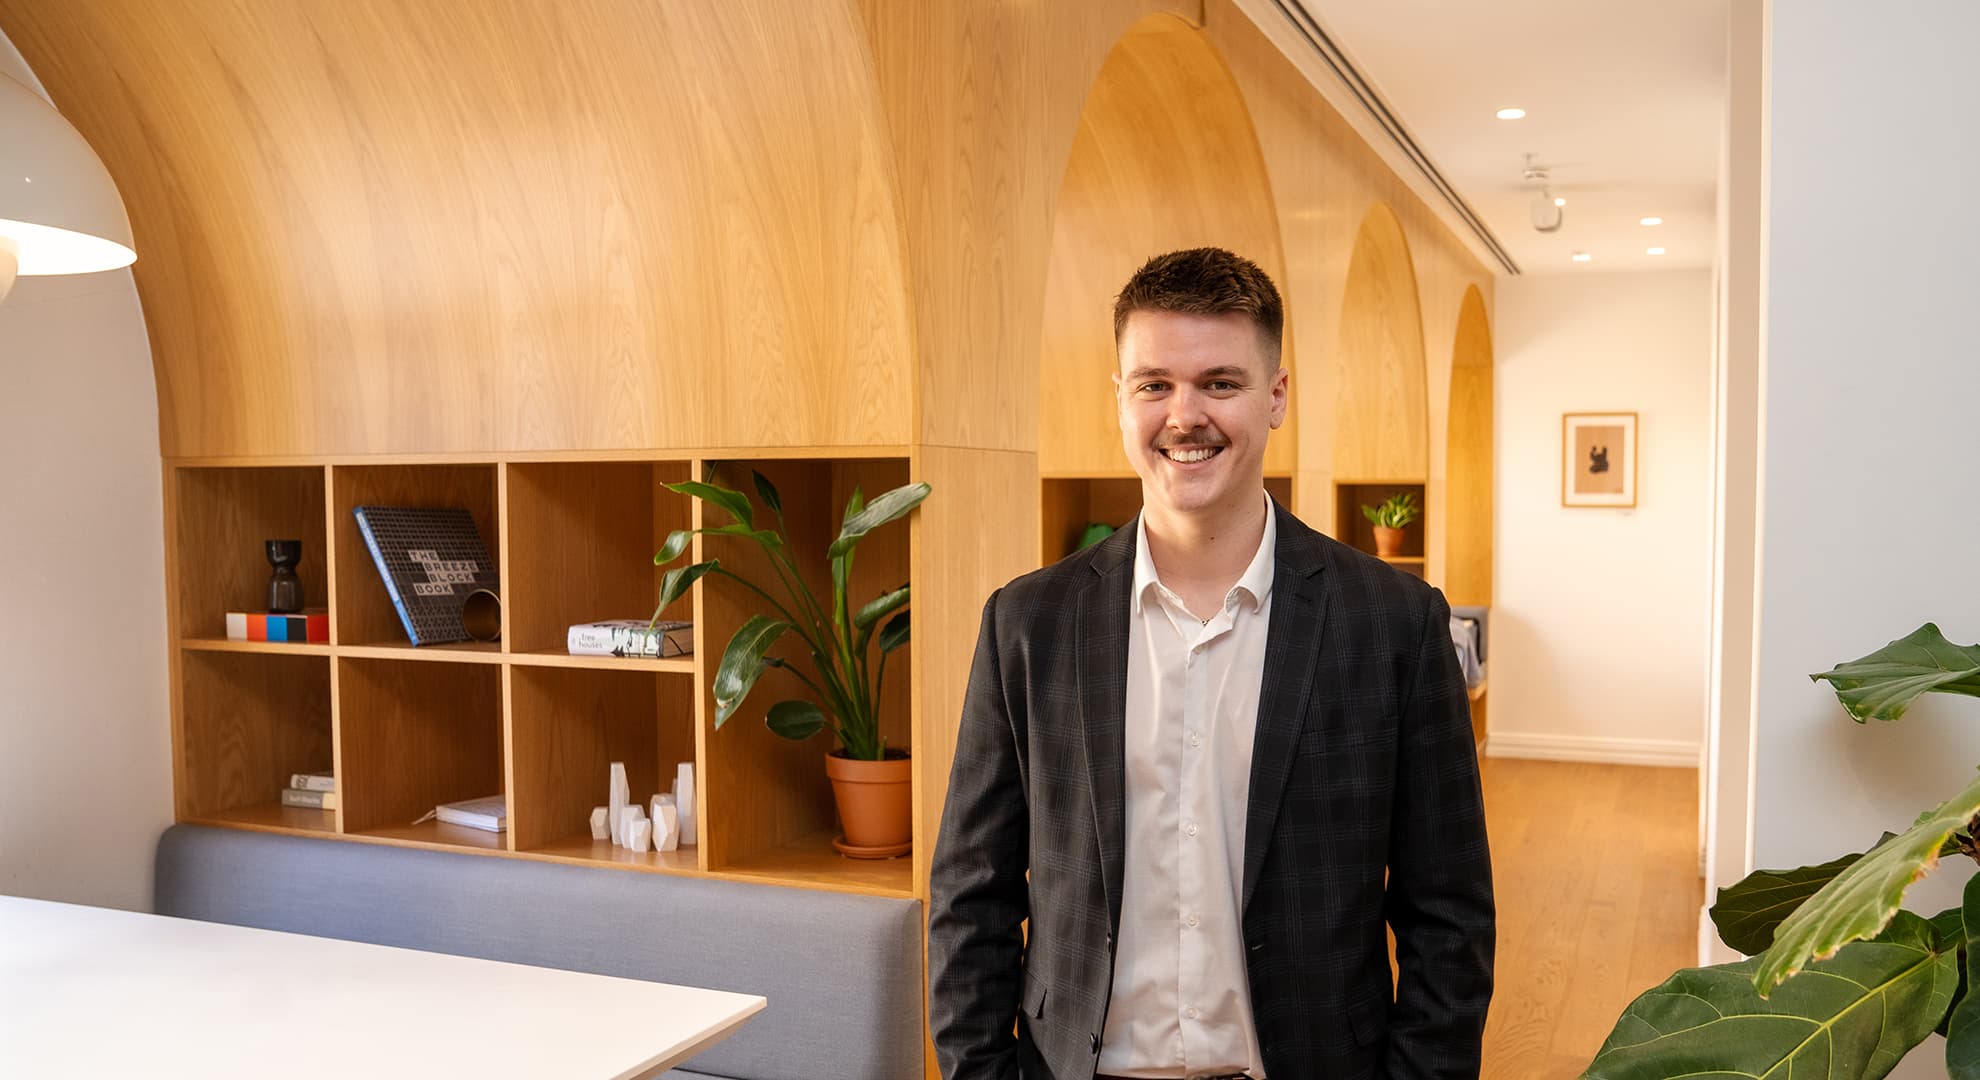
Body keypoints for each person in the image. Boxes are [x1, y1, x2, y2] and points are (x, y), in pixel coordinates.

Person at [928, 247, 1494, 1080]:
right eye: (1153, 384)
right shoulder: (1028, 623)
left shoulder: (1394, 624)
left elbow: (1447, 915)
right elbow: (971, 898)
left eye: (1219, 383)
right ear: (1119, 401)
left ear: (1276, 399)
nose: (1183, 415)